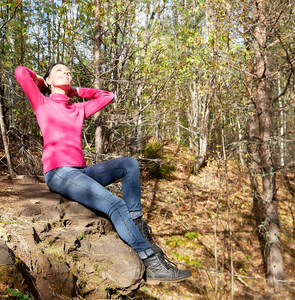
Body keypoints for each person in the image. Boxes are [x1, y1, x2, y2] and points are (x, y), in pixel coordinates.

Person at [14, 63, 191, 284]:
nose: (66, 73)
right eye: (59, 71)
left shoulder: (77, 108)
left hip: (81, 172)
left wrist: (75, 90)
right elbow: (20, 72)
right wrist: (40, 80)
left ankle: (136, 222)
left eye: (69, 71)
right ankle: (152, 263)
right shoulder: (42, 102)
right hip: (59, 172)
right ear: (49, 80)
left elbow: (108, 96)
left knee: (130, 164)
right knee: (115, 205)